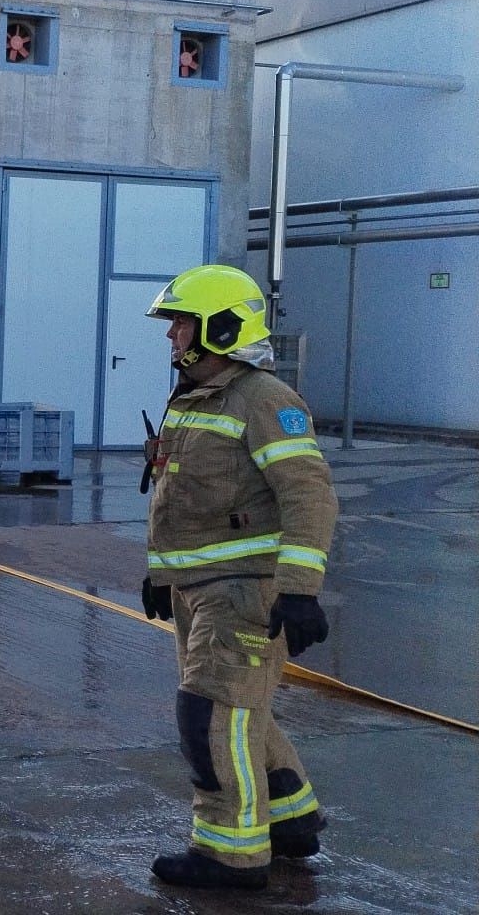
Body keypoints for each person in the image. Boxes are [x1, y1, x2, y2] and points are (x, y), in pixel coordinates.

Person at [140, 264, 334, 890]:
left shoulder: (264, 400)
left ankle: (229, 853)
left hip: (244, 592)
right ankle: (291, 817)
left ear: (219, 329)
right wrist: (159, 573)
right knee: (240, 712)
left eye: (180, 324)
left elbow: (309, 495)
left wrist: (300, 589)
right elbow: (179, 492)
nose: (171, 336)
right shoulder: (194, 399)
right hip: (198, 590)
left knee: (212, 715)